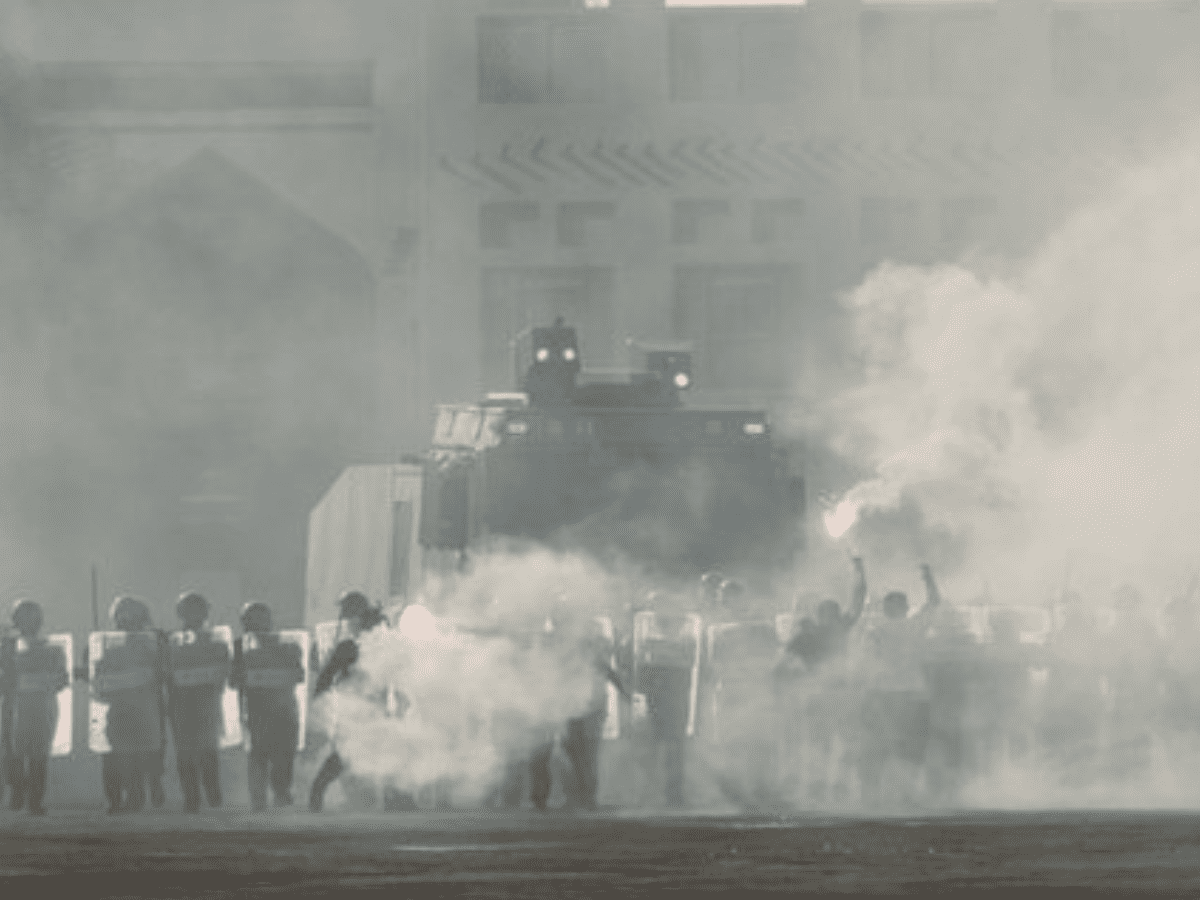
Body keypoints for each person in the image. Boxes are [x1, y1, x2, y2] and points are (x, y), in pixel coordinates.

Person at [858, 563, 942, 808]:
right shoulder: (910, 625)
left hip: (886, 693)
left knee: (882, 745)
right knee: (909, 746)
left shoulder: (877, 629)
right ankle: (902, 794)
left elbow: (864, 662)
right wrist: (929, 578)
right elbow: (934, 602)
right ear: (905, 608)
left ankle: (875, 796)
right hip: (909, 694)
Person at [308, 590, 388, 812]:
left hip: (370, 706)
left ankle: (364, 798)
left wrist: (320, 694)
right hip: (355, 707)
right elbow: (326, 674)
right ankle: (319, 792)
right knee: (347, 752)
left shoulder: (376, 645)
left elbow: (326, 675)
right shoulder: (350, 647)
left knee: (368, 753)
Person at [95, 596, 168, 814]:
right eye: (121, 616)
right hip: (118, 708)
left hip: (147, 707)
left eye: (130, 616)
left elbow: (165, 669)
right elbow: (99, 677)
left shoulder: (155, 640)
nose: (125, 621)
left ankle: (145, 790)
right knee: (115, 754)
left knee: (143, 753)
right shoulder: (107, 646)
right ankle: (116, 799)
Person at [231, 602, 305, 811]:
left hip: (284, 708)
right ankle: (259, 798)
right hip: (256, 709)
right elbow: (233, 680)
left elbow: (299, 675)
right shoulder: (239, 647)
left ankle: (280, 794)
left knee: (283, 754)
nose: (256, 624)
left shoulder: (288, 644)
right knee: (259, 754)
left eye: (260, 618)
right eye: (251, 619)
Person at [1, 600, 69, 815]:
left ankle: (34, 800)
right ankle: (18, 790)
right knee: (13, 753)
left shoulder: (52, 647)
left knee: (38, 754)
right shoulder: (6, 645)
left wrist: (43, 682)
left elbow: (61, 678)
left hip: (43, 705)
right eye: (22, 617)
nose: (27, 622)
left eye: (31, 617)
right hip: (14, 704)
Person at [167, 592, 230, 813]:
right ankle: (192, 797)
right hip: (181, 703)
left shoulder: (216, 641)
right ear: (181, 613)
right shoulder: (171, 642)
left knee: (207, 750)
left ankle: (212, 795)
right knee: (186, 753)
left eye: (197, 610)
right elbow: (166, 671)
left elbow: (224, 669)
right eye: (189, 610)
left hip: (206, 702)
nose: (194, 615)